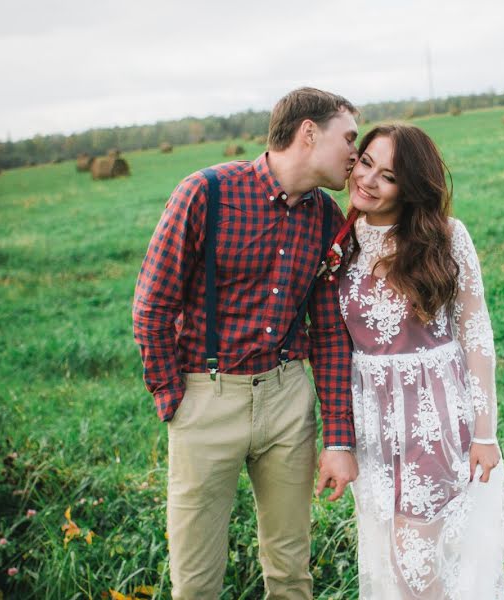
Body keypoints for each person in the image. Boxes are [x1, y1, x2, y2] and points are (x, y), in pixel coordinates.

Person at [132, 87, 360, 599]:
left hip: (286, 401)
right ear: (308, 133)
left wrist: (338, 438)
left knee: (291, 571)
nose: (355, 152)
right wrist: (175, 400)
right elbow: (152, 305)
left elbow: (327, 333)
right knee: (195, 579)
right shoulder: (205, 193)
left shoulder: (326, 217)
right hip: (205, 401)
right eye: (348, 138)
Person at [338, 124, 504, 598]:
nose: (369, 180)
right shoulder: (340, 242)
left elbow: (475, 336)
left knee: (415, 558)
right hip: (372, 424)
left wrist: (485, 431)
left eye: (389, 176)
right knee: (390, 555)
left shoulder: (447, 237)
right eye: (367, 162)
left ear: (411, 187)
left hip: (432, 416)